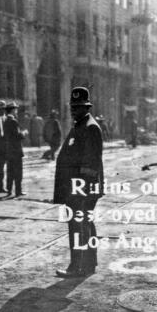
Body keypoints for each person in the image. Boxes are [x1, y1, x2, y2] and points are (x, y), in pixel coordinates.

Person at [53, 87, 104, 278]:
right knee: (85, 225)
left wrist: (80, 190)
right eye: (73, 106)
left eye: (79, 106)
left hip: (82, 189)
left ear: (87, 107)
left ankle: (77, 267)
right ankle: (89, 264)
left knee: (78, 227)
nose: (74, 110)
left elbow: (90, 164)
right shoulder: (80, 125)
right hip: (78, 187)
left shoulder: (89, 127)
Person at [3, 102, 26, 197]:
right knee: (18, 172)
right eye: (15, 109)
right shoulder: (13, 121)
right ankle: (18, 191)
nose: (16, 111)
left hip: (9, 150)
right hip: (16, 150)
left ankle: (9, 190)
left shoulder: (5, 121)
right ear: (13, 110)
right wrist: (23, 133)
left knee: (10, 171)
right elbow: (17, 136)